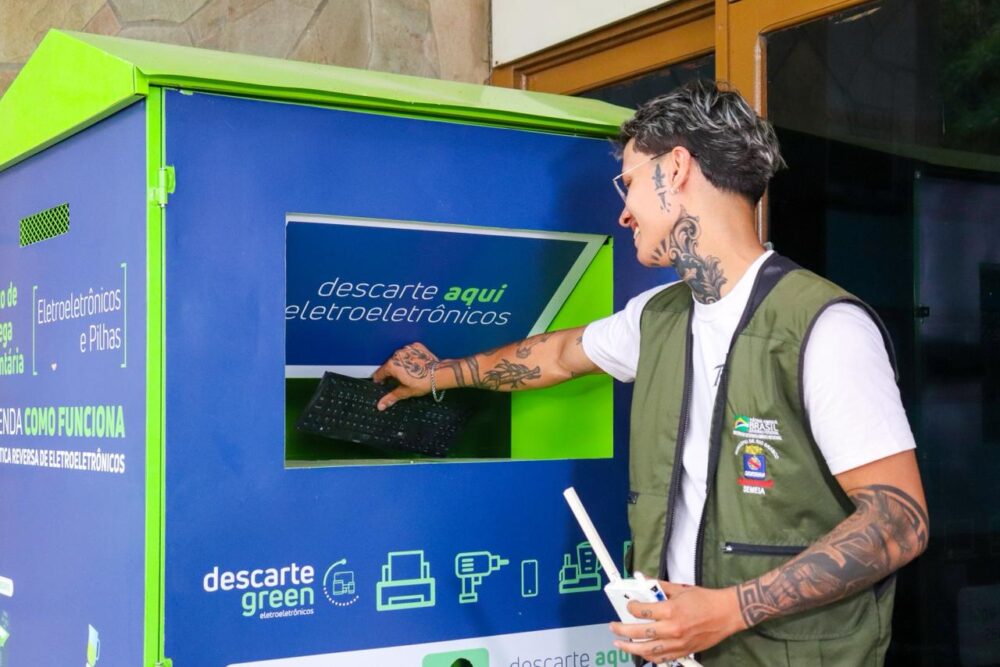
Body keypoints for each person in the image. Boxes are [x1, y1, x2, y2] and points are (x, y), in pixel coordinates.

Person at [373, 80, 928, 666]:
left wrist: (730, 610)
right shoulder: (657, 317)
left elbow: (901, 520)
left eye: (630, 183)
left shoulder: (825, 327)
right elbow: (557, 355)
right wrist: (438, 375)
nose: (623, 211)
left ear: (677, 168)